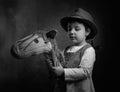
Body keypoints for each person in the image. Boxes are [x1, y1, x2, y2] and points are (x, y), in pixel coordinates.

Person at [48, 8, 98, 92]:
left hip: (80, 89)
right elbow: (58, 61)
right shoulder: (66, 49)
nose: (71, 32)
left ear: (87, 32)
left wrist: (63, 72)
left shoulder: (89, 50)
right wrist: (51, 56)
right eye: (69, 29)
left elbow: (85, 71)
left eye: (77, 29)